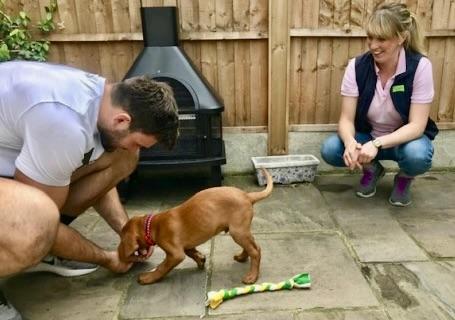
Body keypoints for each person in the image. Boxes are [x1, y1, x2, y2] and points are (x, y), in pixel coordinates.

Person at [0, 60, 179, 319]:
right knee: (36, 222)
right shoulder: (64, 123)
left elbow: (92, 164)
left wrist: (128, 232)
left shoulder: (99, 99)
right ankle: (35, 249)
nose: (134, 148)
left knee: (122, 157)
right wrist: (106, 258)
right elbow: (42, 220)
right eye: (137, 141)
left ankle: (43, 251)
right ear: (122, 119)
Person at [320, 3, 438, 207]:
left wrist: (377, 144)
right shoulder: (356, 67)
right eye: (370, 37)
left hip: (404, 141)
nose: (373, 45)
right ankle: (372, 169)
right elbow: (346, 119)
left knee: (417, 156)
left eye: (381, 39)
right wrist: (350, 142)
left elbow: (417, 126)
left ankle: (404, 178)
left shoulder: (420, 67)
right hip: (367, 137)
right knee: (331, 149)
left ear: (401, 37)